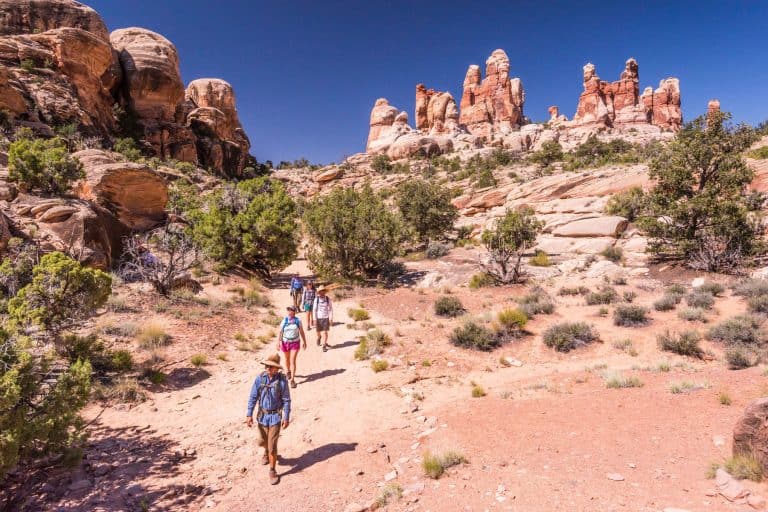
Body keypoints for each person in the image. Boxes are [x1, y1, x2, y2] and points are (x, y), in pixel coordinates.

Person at [245, 353, 291, 485]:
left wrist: (286, 417)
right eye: (267, 366)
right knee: (261, 441)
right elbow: (253, 396)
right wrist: (249, 414)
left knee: (272, 446)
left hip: (275, 417)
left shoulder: (282, 381)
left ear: (277, 368)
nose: (268, 369)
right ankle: (266, 452)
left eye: (271, 367)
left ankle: (272, 470)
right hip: (262, 417)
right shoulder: (260, 379)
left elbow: (286, 400)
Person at [277, 306, 307, 388]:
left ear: (294, 312)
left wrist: (305, 341)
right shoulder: (284, 320)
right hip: (285, 342)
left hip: (295, 342)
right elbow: (280, 332)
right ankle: (288, 371)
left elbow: (301, 331)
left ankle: (292, 380)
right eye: (289, 310)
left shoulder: (298, 321)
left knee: (292, 360)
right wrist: (278, 342)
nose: (290, 312)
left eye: (292, 310)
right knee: (286, 359)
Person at [313, 285, 333, 352]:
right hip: (318, 317)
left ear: (325, 292)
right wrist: (314, 319)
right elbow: (314, 309)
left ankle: (324, 345)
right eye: (321, 291)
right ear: (319, 292)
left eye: (323, 291)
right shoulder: (317, 299)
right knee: (318, 331)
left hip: (326, 317)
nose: (322, 292)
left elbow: (330, 309)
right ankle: (319, 337)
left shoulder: (328, 299)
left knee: (325, 332)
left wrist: (331, 318)